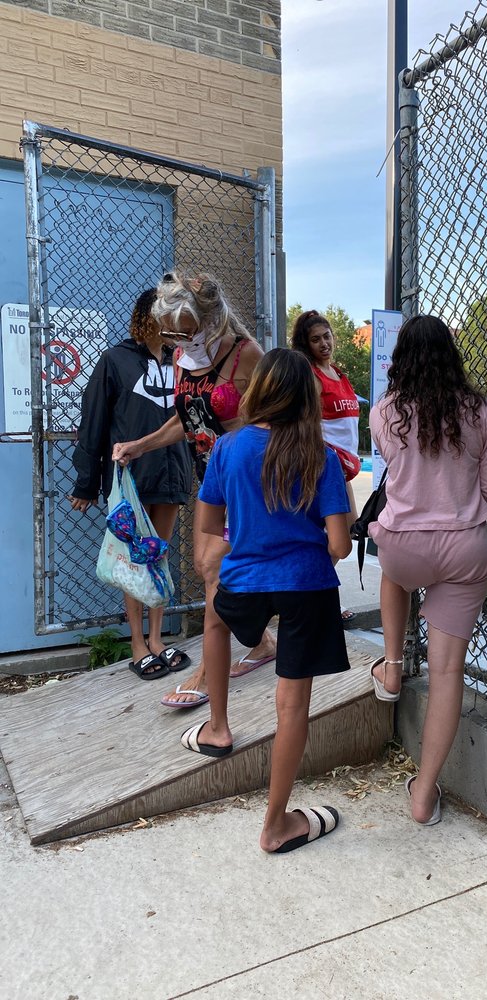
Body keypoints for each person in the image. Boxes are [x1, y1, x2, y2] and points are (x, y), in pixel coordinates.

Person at [181, 348, 351, 854]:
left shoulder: (228, 449)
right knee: (292, 705)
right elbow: (340, 545)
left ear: (258, 392)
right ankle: (276, 824)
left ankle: (217, 727)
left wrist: (254, 536)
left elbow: (212, 525)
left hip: (244, 581)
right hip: (306, 585)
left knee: (216, 622)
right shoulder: (320, 457)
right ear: (307, 400)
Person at [112, 271, 276, 707]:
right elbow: (188, 422)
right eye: (171, 334)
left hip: (247, 482)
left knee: (211, 568)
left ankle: (207, 673)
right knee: (213, 568)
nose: (176, 341)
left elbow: (277, 421)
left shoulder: (247, 356)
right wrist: (139, 445)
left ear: (211, 319)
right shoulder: (183, 359)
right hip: (211, 478)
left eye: (185, 332)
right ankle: (261, 643)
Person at [368, 315, 487, 826]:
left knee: (391, 574)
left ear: (400, 360)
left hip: (404, 547)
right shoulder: (484, 413)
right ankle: (424, 796)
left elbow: (395, 474)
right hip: (463, 548)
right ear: (452, 354)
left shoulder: (384, 413)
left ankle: (392, 667)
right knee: (449, 672)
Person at [69, 288, 193, 680]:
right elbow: (93, 423)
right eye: (165, 315)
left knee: (158, 554)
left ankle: (158, 639)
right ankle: (137, 644)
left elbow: (193, 419)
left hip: (172, 472)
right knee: (134, 558)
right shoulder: (115, 361)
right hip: (131, 480)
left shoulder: (183, 364)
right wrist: (87, 483)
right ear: (149, 317)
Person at [290, 309, 361, 625]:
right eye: (315, 339)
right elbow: (302, 424)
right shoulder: (311, 377)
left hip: (341, 468)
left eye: (327, 336)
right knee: (337, 537)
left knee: (340, 536)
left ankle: (314, 599)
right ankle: (309, 598)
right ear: (306, 344)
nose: (324, 343)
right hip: (323, 468)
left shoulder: (339, 374)